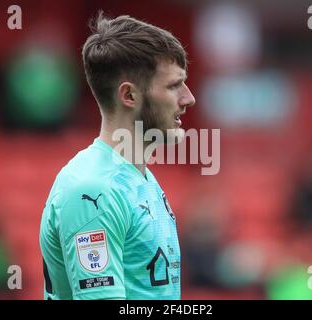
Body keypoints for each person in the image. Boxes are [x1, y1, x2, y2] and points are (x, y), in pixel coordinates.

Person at [39, 12, 195, 300]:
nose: (188, 98)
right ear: (130, 96)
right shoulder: (94, 188)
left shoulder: (140, 179)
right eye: (174, 85)